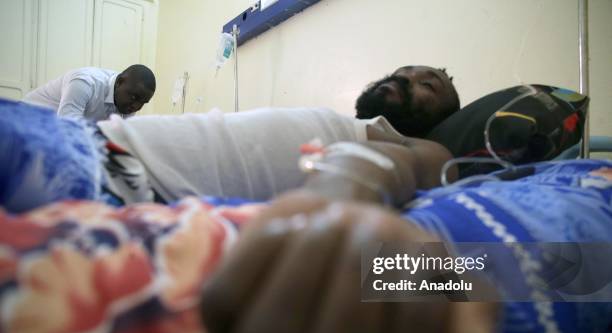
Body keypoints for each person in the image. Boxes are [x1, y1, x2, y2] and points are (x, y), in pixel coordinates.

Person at [0, 138, 610, 333]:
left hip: (388, 267)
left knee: (563, 267)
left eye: (429, 82)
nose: (414, 83)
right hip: (390, 292)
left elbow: (425, 155)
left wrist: (343, 196)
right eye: (406, 77)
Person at [0, 66, 460, 211]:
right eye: (402, 71)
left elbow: (430, 166)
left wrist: (335, 208)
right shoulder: (340, 123)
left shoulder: (402, 144)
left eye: (428, 84)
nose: (405, 77)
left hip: (120, 176)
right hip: (96, 148)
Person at [22, 65, 156, 121]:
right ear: (119, 82)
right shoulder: (84, 83)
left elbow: (122, 138)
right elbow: (69, 131)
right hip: (24, 120)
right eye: (134, 98)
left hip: (50, 130)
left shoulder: (128, 102)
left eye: (143, 103)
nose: (136, 107)